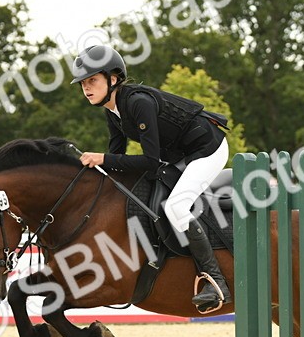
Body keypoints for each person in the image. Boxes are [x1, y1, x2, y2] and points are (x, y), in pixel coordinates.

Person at [72, 44, 233, 312]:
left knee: (175, 206)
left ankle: (215, 281)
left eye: (92, 80)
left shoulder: (138, 103)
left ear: (113, 79)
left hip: (207, 148)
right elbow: (117, 160)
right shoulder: (113, 111)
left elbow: (149, 161)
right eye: (83, 83)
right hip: (180, 153)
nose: (86, 88)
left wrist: (101, 159)